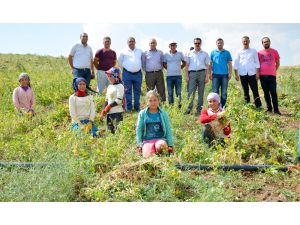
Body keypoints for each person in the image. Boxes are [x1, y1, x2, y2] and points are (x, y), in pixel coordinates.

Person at [136, 90, 174, 158]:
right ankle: (151, 152)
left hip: (160, 139)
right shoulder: (142, 114)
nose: (153, 103)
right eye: (150, 100)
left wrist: (170, 145)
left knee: (161, 146)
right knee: (147, 156)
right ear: (147, 102)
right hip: (147, 140)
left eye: (155, 100)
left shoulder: (163, 113)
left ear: (158, 101)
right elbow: (139, 129)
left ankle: (162, 156)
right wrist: (139, 145)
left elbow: (168, 129)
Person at [234, 36, 262, 108]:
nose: (245, 42)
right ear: (242, 42)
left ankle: (258, 106)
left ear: (249, 41)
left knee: (255, 90)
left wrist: (257, 73)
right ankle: (248, 106)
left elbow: (257, 62)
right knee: (245, 90)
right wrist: (236, 74)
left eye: (246, 41)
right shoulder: (238, 51)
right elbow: (236, 63)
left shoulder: (253, 51)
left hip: (252, 73)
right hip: (242, 74)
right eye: (244, 41)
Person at [185, 38, 210, 115]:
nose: (197, 44)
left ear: (201, 43)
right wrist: (186, 76)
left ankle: (199, 110)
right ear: (194, 44)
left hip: (202, 73)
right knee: (190, 92)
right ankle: (189, 109)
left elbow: (207, 65)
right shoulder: (189, 53)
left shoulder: (205, 53)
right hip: (192, 73)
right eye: (196, 43)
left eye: (198, 43)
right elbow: (187, 65)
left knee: (201, 92)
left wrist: (207, 76)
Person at [118, 37, 143, 112]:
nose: (131, 43)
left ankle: (137, 107)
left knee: (137, 91)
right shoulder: (123, 51)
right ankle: (128, 108)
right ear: (127, 43)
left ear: (135, 42)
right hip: (127, 74)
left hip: (138, 74)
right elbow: (120, 62)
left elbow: (142, 60)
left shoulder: (140, 51)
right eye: (129, 41)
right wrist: (128, 68)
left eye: (132, 41)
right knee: (127, 91)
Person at [258, 37, 281, 115]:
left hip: (272, 76)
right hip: (262, 76)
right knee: (266, 93)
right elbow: (257, 65)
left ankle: (276, 110)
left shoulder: (275, 52)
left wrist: (273, 70)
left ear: (270, 42)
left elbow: (277, 63)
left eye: (267, 41)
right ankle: (269, 109)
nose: (266, 43)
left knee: (273, 93)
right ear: (262, 43)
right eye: (264, 42)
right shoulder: (259, 53)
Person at [99, 67, 125, 134]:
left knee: (118, 131)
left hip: (117, 112)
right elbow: (106, 100)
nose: (109, 78)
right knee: (110, 131)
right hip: (109, 113)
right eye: (108, 76)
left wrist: (108, 106)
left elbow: (119, 100)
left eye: (111, 76)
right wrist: (103, 111)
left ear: (116, 76)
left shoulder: (120, 86)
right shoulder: (109, 87)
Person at [209, 38, 232, 108]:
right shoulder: (213, 52)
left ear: (223, 43)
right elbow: (210, 64)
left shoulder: (227, 52)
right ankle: (215, 107)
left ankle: (222, 107)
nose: (220, 44)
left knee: (224, 92)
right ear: (216, 44)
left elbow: (230, 64)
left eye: (221, 43)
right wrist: (209, 73)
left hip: (225, 75)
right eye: (218, 43)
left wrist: (230, 73)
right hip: (215, 75)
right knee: (215, 92)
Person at [163, 40, 186, 108]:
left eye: (174, 45)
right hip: (169, 76)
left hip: (178, 76)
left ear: (176, 46)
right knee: (170, 93)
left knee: (178, 93)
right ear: (169, 46)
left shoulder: (180, 53)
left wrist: (180, 68)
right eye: (171, 45)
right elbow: (164, 63)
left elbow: (184, 62)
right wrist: (169, 69)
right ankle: (171, 107)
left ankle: (179, 107)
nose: (173, 46)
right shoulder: (166, 55)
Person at [142, 38, 166, 102]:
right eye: (151, 43)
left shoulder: (160, 52)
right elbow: (143, 64)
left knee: (161, 89)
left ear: (156, 44)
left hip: (159, 73)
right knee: (150, 90)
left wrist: (160, 70)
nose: (152, 44)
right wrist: (147, 71)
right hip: (149, 74)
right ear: (149, 44)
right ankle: (149, 104)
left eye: (154, 43)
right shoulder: (145, 53)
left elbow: (162, 62)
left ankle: (162, 104)